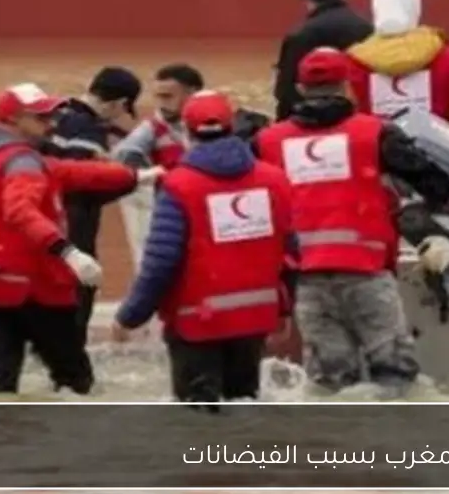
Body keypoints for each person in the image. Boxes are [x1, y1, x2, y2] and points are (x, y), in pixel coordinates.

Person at [255, 47, 449, 395]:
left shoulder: (269, 142)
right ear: (347, 86)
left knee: (330, 382)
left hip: (307, 280)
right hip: (366, 274)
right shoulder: (376, 133)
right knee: (395, 377)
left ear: (300, 90)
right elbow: (436, 184)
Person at [0, 83, 156, 395]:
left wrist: (136, 176)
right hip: (35, 289)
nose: (52, 123)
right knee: (75, 384)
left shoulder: (1, 159)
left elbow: (69, 172)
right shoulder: (23, 162)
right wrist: (69, 253)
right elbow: (20, 210)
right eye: (41, 117)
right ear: (12, 121)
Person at [111, 90, 297, 405]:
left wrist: (130, 316)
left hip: (197, 323)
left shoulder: (180, 186)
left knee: (197, 421)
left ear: (187, 131)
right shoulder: (274, 180)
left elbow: (161, 261)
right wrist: (285, 308)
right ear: (231, 126)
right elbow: (292, 252)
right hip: (253, 319)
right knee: (244, 411)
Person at [44, 66, 144, 345]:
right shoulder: (88, 131)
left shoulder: (56, 113)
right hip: (73, 227)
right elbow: (80, 182)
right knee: (77, 297)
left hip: (40, 226)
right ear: (121, 103)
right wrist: (130, 181)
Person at [345, 0, 449, 146]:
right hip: (437, 160)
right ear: (416, 9)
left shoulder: (353, 64)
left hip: (377, 161)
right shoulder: (448, 60)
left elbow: (347, 124)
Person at [273, 0, 374, 121]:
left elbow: (286, 96)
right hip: (359, 124)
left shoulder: (299, 36)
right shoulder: (367, 29)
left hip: (312, 127)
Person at [112, 63, 206, 169]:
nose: (161, 104)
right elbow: (123, 153)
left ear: (192, 94)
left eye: (167, 96)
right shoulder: (153, 127)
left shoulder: (218, 122)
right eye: (158, 97)